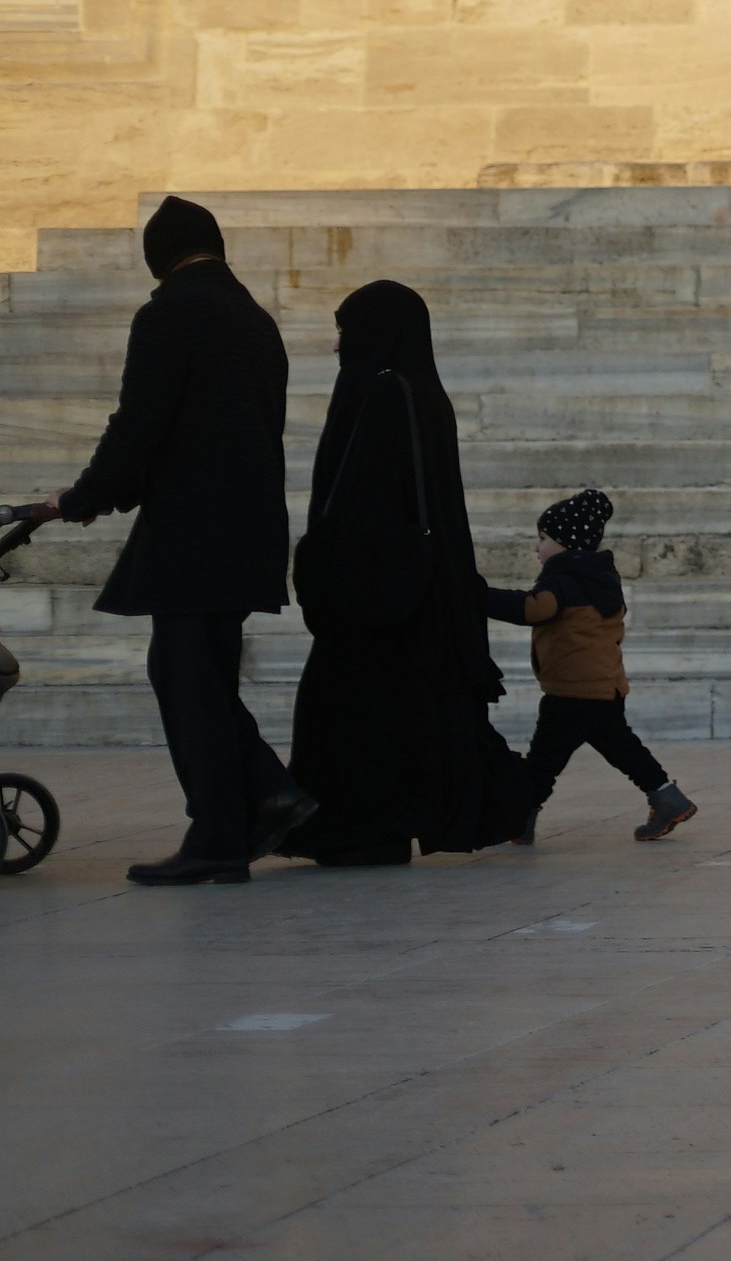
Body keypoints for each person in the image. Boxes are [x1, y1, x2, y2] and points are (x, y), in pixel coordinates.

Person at [40, 196, 312, 886]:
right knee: (197, 677)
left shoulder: (169, 314)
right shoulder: (254, 320)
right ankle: (257, 802)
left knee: (187, 681)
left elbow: (141, 424)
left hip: (194, 533)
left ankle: (227, 829)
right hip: (247, 527)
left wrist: (83, 497)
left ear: (158, 256)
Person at [283, 282, 520, 866]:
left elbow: (366, 502)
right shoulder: (421, 391)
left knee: (353, 714)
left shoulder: (384, 392)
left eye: (347, 329)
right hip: (410, 596)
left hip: (377, 599)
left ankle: (359, 830)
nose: (339, 344)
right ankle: (381, 826)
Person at [489, 490, 695, 840]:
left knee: (543, 762)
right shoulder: (601, 577)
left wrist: (479, 596)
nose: (536, 548)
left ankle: (519, 818)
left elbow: (534, 610)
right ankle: (667, 797)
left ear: (565, 543)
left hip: (572, 693)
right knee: (623, 749)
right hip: (606, 686)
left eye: (542, 539)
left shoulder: (562, 580)